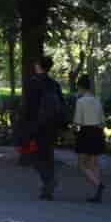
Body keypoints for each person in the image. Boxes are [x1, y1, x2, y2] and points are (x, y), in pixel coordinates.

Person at [21, 55, 65, 200]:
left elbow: (28, 107)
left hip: (36, 126)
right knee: (48, 155)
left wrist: (24, 125)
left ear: (39, 66)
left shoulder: (33, 83)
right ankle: (47, 190)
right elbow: (61, 105)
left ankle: (48, 181)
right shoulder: (54, 84)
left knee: (32, 154)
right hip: (51, 126)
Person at [73, 74, 106, 203]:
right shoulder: (97, 100)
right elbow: (102, 121)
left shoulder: (80, 101)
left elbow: (77, 121)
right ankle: (97, 193)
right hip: (97, 132)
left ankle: (98, 185)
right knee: (94, 163)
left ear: (80, 87)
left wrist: (72, 130)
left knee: (82, 164)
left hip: (86, 132)